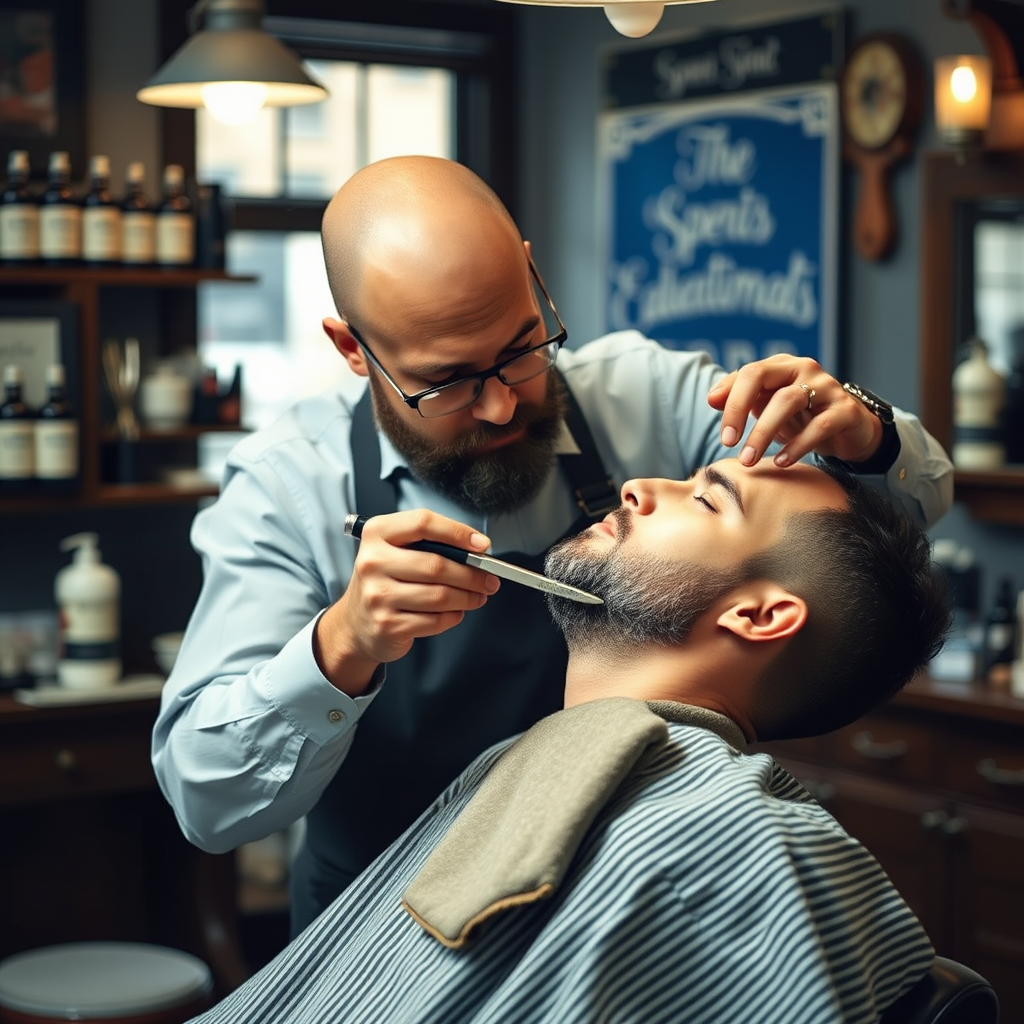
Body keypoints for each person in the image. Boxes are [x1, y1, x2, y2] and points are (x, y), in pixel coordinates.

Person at [153, 155, 954, 934]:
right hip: (376, 925)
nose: (503, 406)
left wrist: (868, 436)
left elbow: (868, 539)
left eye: (521, 349)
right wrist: (343, 643)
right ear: (353, 349)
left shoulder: (644, 392)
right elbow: (206, 802)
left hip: (605, 905)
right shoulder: (286, 486)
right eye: (449, 381)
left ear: (533, 278)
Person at [186, 459, 950, 1024]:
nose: (638, 486)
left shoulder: (731, 841)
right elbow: (204, 793)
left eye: (705, 497)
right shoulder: (526, 763)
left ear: (757, 617)